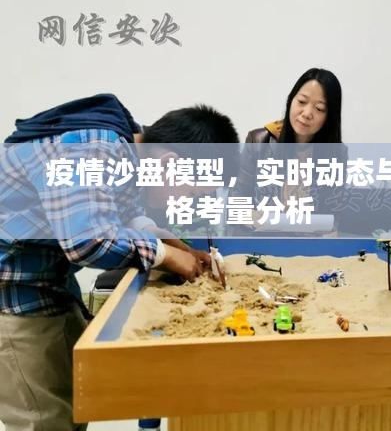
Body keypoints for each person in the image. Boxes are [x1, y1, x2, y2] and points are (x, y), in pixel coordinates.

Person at [0, 93, 239, 431]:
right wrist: (168, 257)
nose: (188, 203)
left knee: (73, 407)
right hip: (12, 297)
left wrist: (179, 247)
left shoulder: (129, 146)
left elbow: (126, 215)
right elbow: (88, 241)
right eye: (192, 193)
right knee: (45, 420)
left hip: (49, 285)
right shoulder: (90, 150)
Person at [231, 68, 347, 232]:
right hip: (262, 240)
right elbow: (236, 201)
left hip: (311, 243)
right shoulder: (259, 142)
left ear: (330, 117)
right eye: (302, 102)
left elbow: (335, 212)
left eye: (319, 108)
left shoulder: (336, 152)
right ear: (290, 101)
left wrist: (330, 231)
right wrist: (250, 216)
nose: (307, 113)